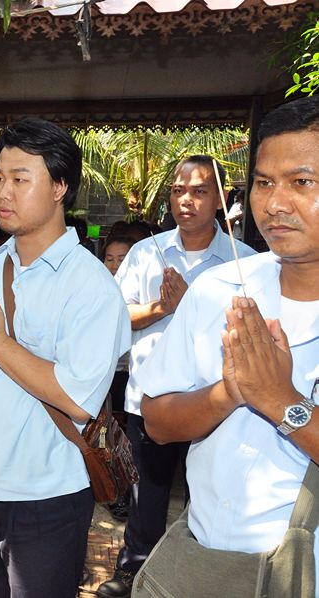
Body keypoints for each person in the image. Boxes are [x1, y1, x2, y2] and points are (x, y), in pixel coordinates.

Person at [0, 118, 131, 598]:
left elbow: (78, 398)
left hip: (47, 493)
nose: (4, 192)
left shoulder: (90, 285)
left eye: (21, 179)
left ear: (60, 187)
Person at [137, 95, 319, 593]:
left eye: (302, 182)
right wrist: (231, 392)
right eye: (264, 183)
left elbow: (278, 400)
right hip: (205, 559)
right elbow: (156, 421)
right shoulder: (219, 289)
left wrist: (282, 402)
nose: (275, 204)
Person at [95, 155, 258, 598]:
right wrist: (161, 309)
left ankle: (196, 578)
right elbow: (114, 317)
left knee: (205, 495)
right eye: (178, 191)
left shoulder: (243, 263)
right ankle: (133, 573)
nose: (186, 200)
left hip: (217, 402)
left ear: (220, 198)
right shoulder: (146, 253)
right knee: (146, 493)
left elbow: (250, 333)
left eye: (199, 191)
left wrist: (191, 308)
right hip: (152, 400)